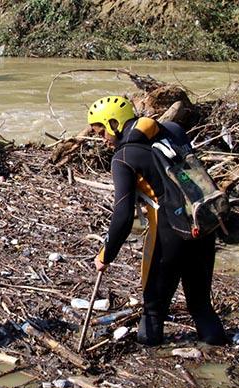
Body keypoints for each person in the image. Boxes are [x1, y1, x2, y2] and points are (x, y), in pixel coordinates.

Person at [88, 95, 227, 346]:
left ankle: (151, 365)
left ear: (113, 124)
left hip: (169, 233)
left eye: (101, 133)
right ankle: (216, 354)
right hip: (202, 221)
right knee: (201, 306)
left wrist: (105, 255)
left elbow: (122, 216)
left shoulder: (123, 158)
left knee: (153, 311)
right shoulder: (173, 129)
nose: (104, 141)